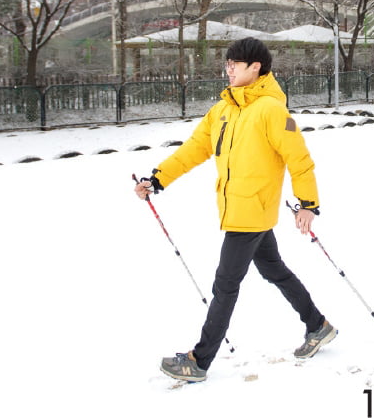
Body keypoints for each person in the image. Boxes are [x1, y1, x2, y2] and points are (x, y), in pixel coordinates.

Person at [134, 37, 336, 382]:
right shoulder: (224, 109)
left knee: (225, 285)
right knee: (274, 270)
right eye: (226, 64)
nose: (227, 70)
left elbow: (299, 159)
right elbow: (194, 149)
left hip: (251, 211)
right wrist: (158, 179)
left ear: (255, 67)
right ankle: (317, 325)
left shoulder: (272, 110)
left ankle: (199, 361)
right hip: (239, 208)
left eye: (234, 64)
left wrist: (308, 205)